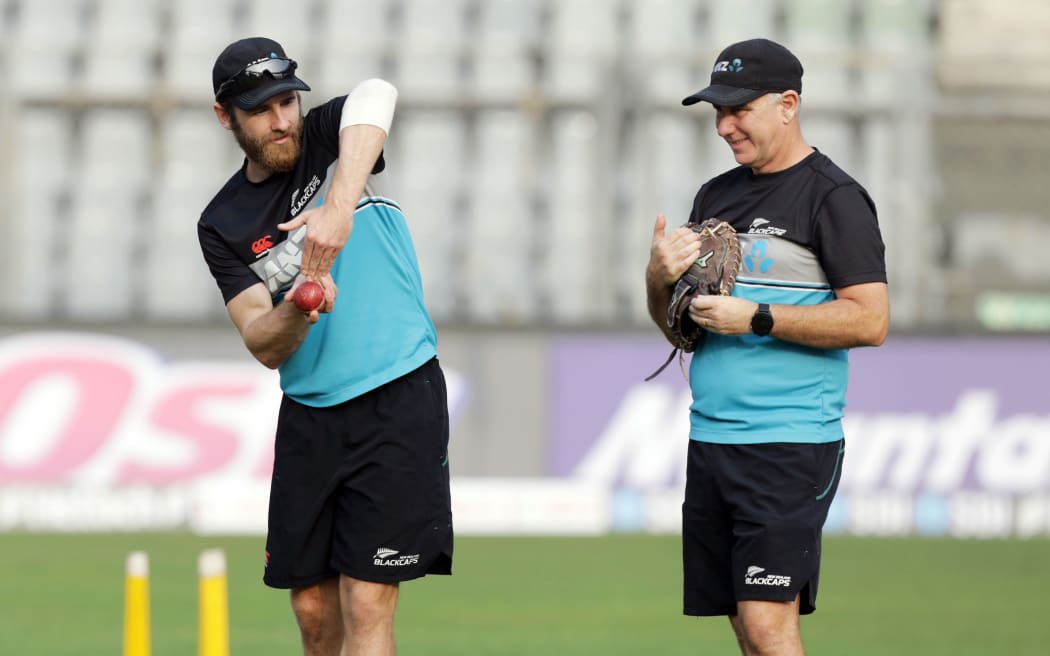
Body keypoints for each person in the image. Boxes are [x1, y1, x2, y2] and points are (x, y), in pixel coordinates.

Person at [197, 37, 453, 656]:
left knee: (367, 600)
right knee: (313, 612)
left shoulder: (330, 135)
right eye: (261, 109)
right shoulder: (222, 222)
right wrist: (301, 302)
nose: (282, 120)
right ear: (225, 116)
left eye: (288, 100)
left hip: (396, 395)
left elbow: (378, 94)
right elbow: (261, 340)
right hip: (310, 415)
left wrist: (338, 205)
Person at [645, 38, 889, 655]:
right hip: (713, 439)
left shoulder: (834, 197)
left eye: (738, 110)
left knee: (764, 621)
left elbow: (870, 321)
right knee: (746, 627)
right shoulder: (714, 196)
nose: (724, 126)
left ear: (787, 104)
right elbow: (682, 332)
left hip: (789, 441)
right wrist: (657, 278)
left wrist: (756, 316)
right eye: (716, 112)